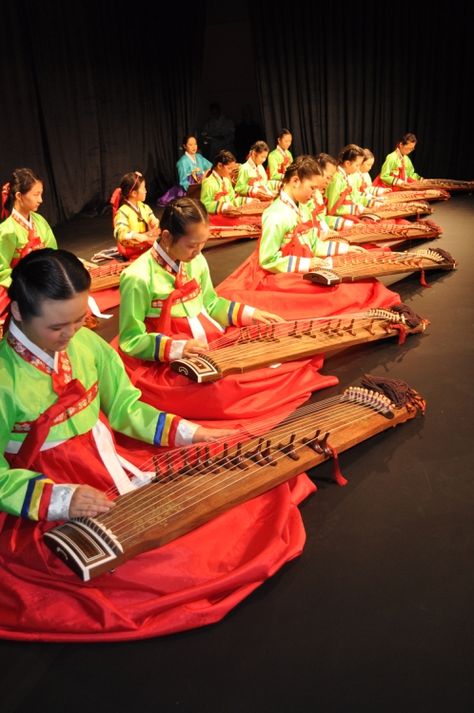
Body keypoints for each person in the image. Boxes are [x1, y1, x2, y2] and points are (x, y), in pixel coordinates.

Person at [0, 248, 316, 643]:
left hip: (106, 464)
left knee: (219, 506)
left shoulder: (87, 347)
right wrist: (61, 500)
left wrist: (193, 433)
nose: (70, 335)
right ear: (17, 314)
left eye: (80, 320)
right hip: (49, 489)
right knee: (151, 568)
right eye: (56, 327)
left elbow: (126, 410)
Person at [117, 197, 335, 423]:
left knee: (265, 363)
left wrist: (250, 314)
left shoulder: (196, 260)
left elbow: (211, 304)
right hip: (169, 349)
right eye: (192, 245)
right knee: (222, 392)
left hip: (207, 336)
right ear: (166, 237)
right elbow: (131, 339)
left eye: (202, 244)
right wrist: (176, 348)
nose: (198, 252)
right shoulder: (138, 277)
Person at [217, 155, 400, 319]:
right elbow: (267, 260)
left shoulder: (302, 207)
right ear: (295, 181)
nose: (314, 194)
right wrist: (309, 264)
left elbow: (314, 245)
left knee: (357, 279)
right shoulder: (276, 215)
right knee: (339, 292)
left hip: (302, 266)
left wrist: (344, 249)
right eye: (312, 188)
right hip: (278, 274)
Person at [0, 168, 56, 320]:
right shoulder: (6, 231)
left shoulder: (40, 221)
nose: (41, 200)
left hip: (43, 280)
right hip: (20, 286)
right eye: (36, 194)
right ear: (19, 196)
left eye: (41, 194)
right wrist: (25, 285)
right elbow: (2, 270)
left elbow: (52, 252)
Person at [325, 145, 382, 230]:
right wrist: (354, 209)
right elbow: (332, 208)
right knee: (369, 227)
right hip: (340, 217)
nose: (358, 168)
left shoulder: (347, 176)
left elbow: (354, 196)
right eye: (357, 165)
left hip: (350, 212)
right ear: (347, 163)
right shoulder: (337, 179)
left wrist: (367, 203)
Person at [110, 171, 160, 260]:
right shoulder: (123, 211)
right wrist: (133, 235)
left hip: (145, 244)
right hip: (133, 250)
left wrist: (154, 222)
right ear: (134, 193)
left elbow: (151, 217)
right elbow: (119, 231)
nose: (146, 191)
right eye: (143, 188)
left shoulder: (144, 207)